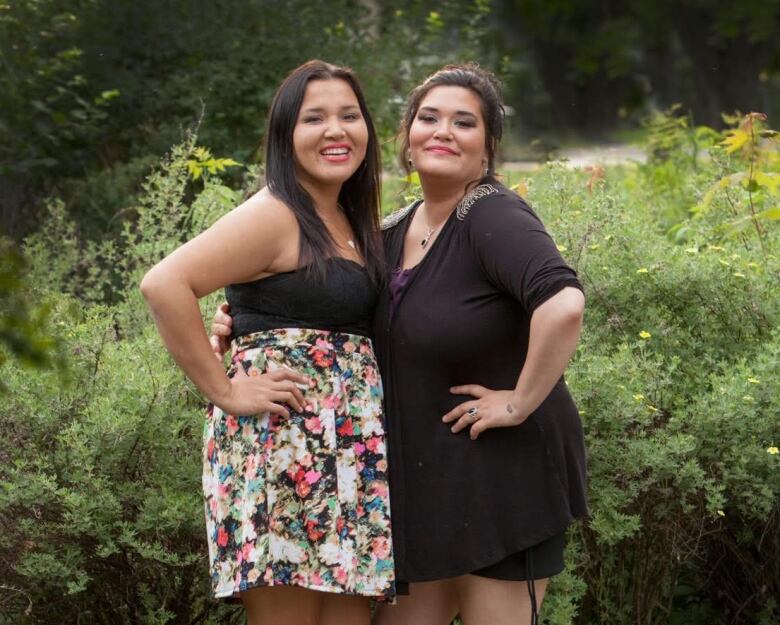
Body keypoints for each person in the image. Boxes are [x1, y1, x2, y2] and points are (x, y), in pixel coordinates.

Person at [212, 63, 587, 625]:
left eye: (464, 122)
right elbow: (334, 309)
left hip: (501, 477)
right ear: (406, 140)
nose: (443, 131)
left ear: (487, 149)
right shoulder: (388, 231)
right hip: (420, 486)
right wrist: (244, 322)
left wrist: (518, 402)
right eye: (429, 118)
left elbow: (563, 304)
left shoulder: (491, 215)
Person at [141, 60, 394, 625]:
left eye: (350, 116)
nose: (337, 131)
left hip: (350, 455)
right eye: (315, 118)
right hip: (282, 451)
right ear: (286, 135)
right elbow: (164, 284)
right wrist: (226, 389)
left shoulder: (349, 220)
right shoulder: (276, 213)